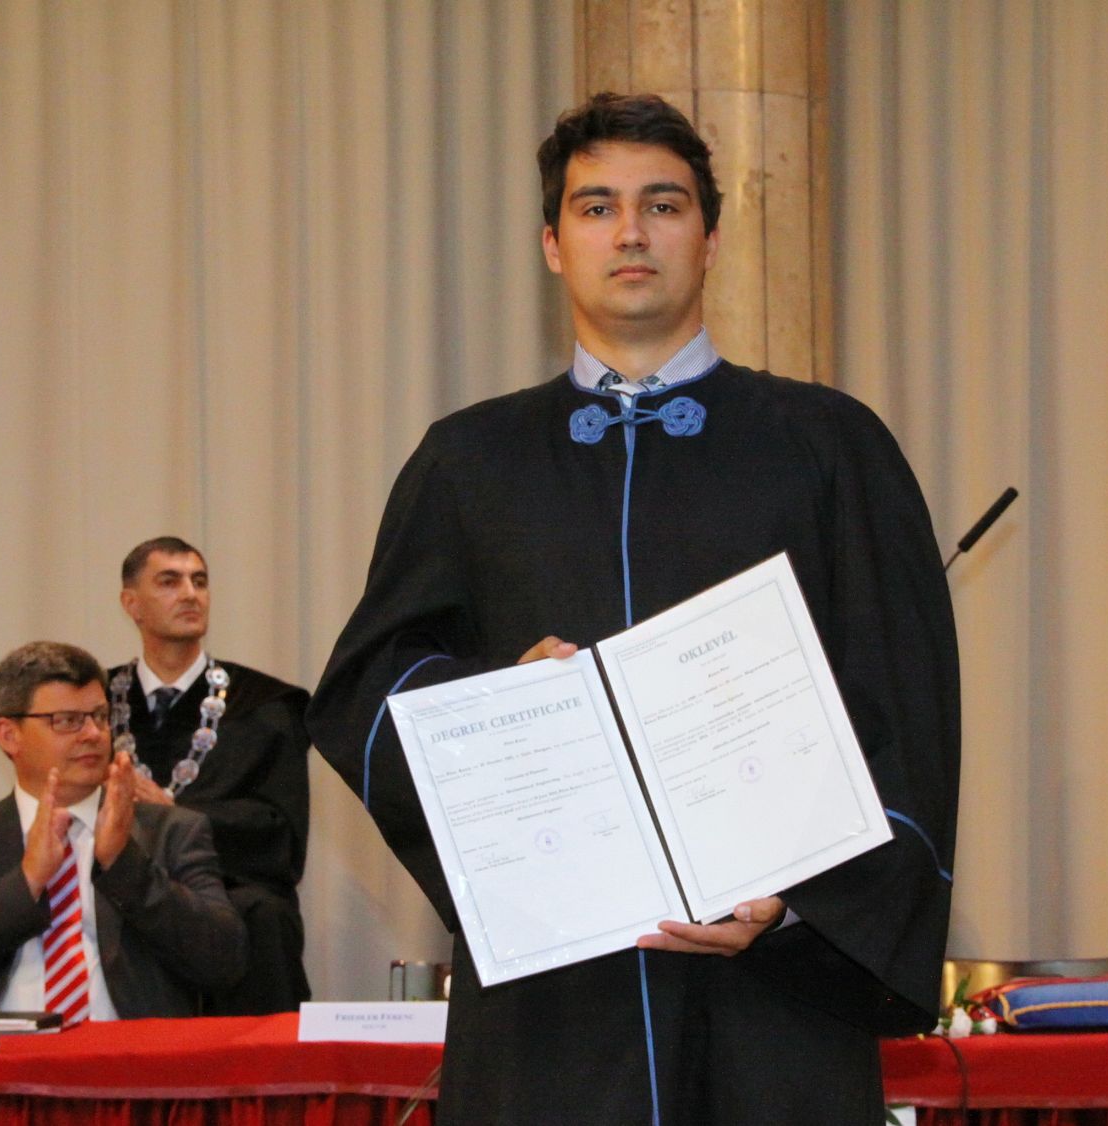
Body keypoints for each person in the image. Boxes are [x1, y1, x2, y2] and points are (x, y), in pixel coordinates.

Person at [309, 93, 961, 1124]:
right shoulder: (467, 460)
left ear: (709, 238)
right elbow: (366, 691)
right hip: (553, 996)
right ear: (551, 245)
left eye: (661, 205)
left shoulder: (829, 445)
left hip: (772, 995)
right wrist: (496, 705)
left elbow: (905, 707)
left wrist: (799, 904)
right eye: (596, 207)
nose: (629, 232)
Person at [0, 641, 247, 1019]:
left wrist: (123, 863)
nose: (93, 734)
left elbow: (226, 963)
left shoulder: (171, 832)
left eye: (100, 716)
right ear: (9, 735)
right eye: (66, 720)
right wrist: (26, 881)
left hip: (126, 1050)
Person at [111, 536, 312, 1013]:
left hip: (231, 896)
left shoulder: (266, 706)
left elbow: (281, 835)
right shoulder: (93, 705)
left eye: (199, 582)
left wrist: (172, 814)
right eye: (169, 582)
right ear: (131, 604)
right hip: (119, 893)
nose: (190, 594)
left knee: (262, 916)